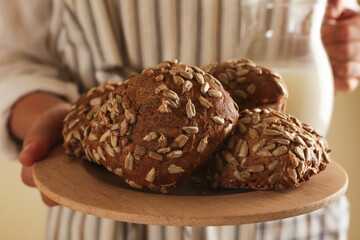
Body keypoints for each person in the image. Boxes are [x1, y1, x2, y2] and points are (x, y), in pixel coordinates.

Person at [0, 0, 357, 239]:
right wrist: (44, 112)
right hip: (104, 212)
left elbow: (339, 15)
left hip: (285, 223)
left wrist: (344, 42)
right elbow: (11, 57)